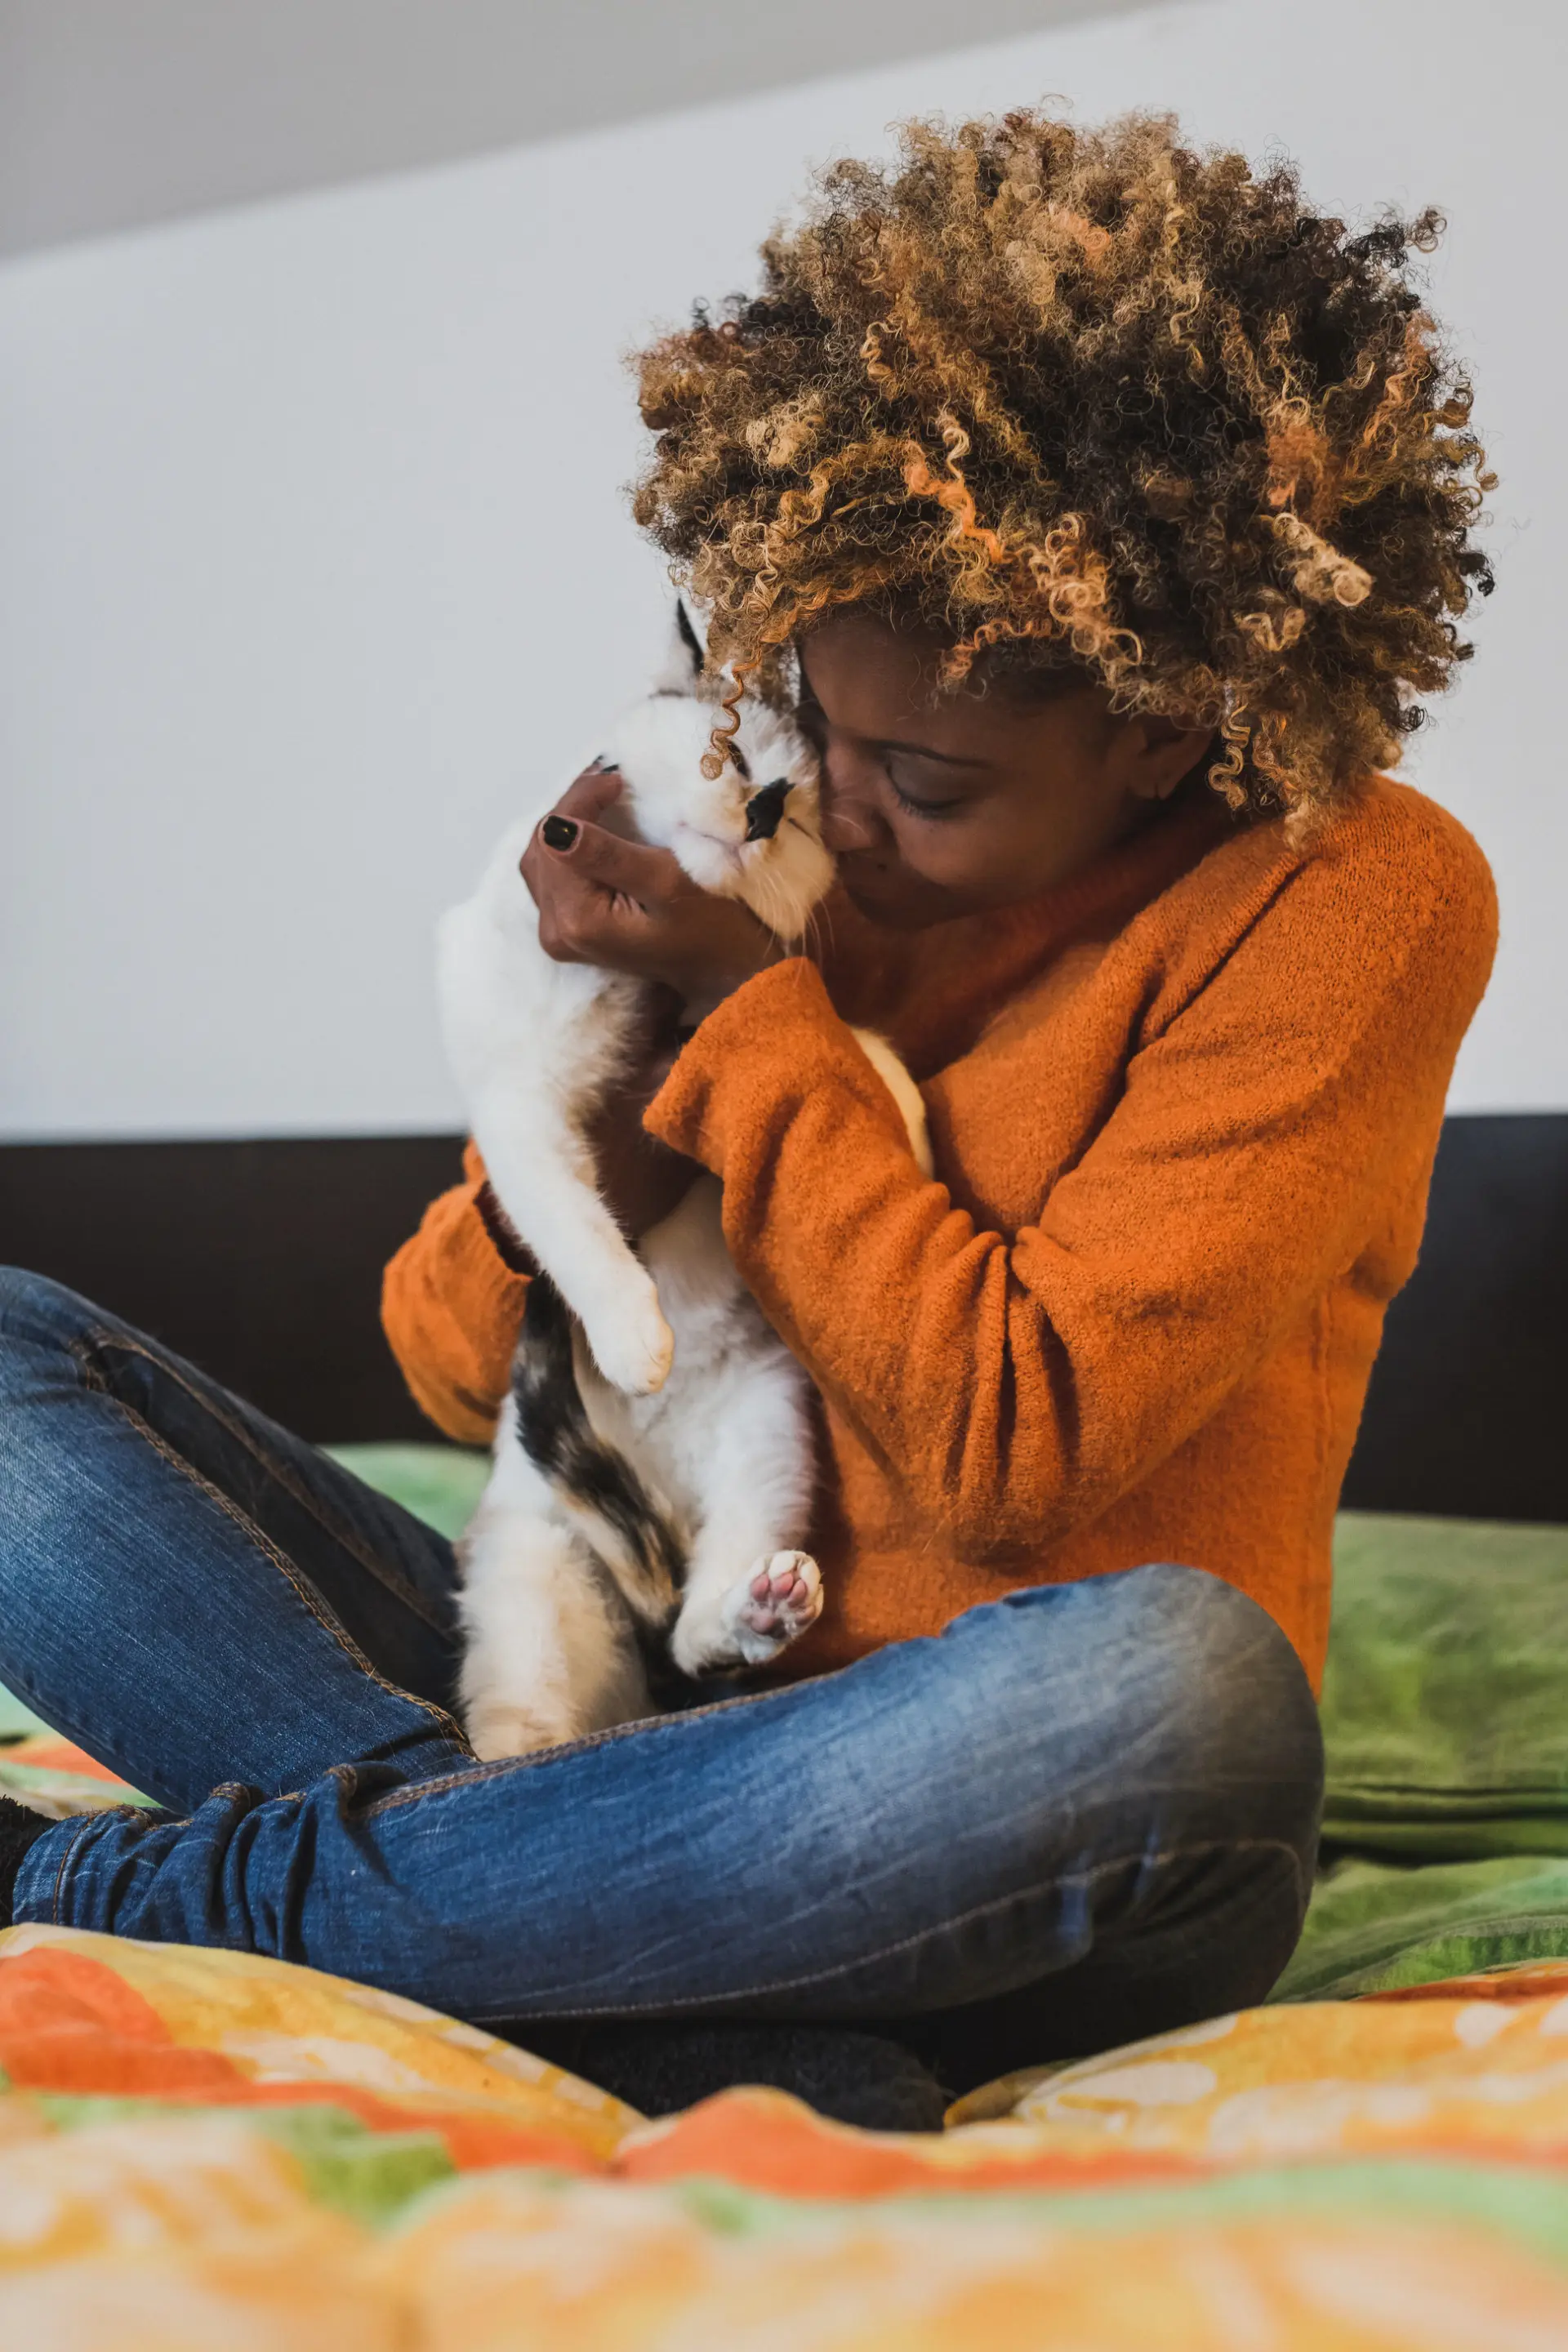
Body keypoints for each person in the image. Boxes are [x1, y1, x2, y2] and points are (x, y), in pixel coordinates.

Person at [0, 109, 1496, 2123]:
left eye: (930, 779)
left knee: (1183, 1692)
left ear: (1158, 721)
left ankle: (116, 1888)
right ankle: (661, 1992)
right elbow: (451, 1369)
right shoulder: (771, 850)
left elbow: (1010, 1448)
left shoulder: (1351, 891)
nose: (841, 813)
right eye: (816, 717)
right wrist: (600, 1090)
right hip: (629, 1714)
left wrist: (746, 1011)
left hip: (992, 1805)